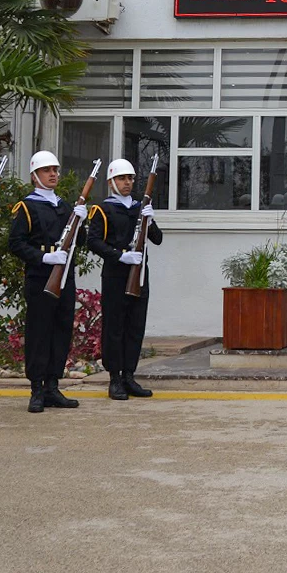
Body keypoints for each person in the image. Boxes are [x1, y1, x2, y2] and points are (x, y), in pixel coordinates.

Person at [7, 150, 83, 414]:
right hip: (41, 277)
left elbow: (78, 242)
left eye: (55, 170)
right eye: (47, 170)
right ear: (34, 176)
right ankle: (37, 388)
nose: (53, 174)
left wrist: (80, 221)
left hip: (64, 277)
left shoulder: (64, 206)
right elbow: (15, 244)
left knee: (61, 330)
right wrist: (44, 257)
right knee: (39, 333)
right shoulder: (27, 207)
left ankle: (53, 385)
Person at [86, 158, 161, 401]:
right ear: (111, 182)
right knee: (115, 327)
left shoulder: (140, 207)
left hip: (139, 275)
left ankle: (129, 375)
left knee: (135, 326)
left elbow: (158, 239)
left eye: (130, 178)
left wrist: (150, 219)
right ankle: (115, 378)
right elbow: (93, 242)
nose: (127, 182)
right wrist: (120, 256)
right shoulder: (103, 209)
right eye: (122, 178)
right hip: (116, 276)